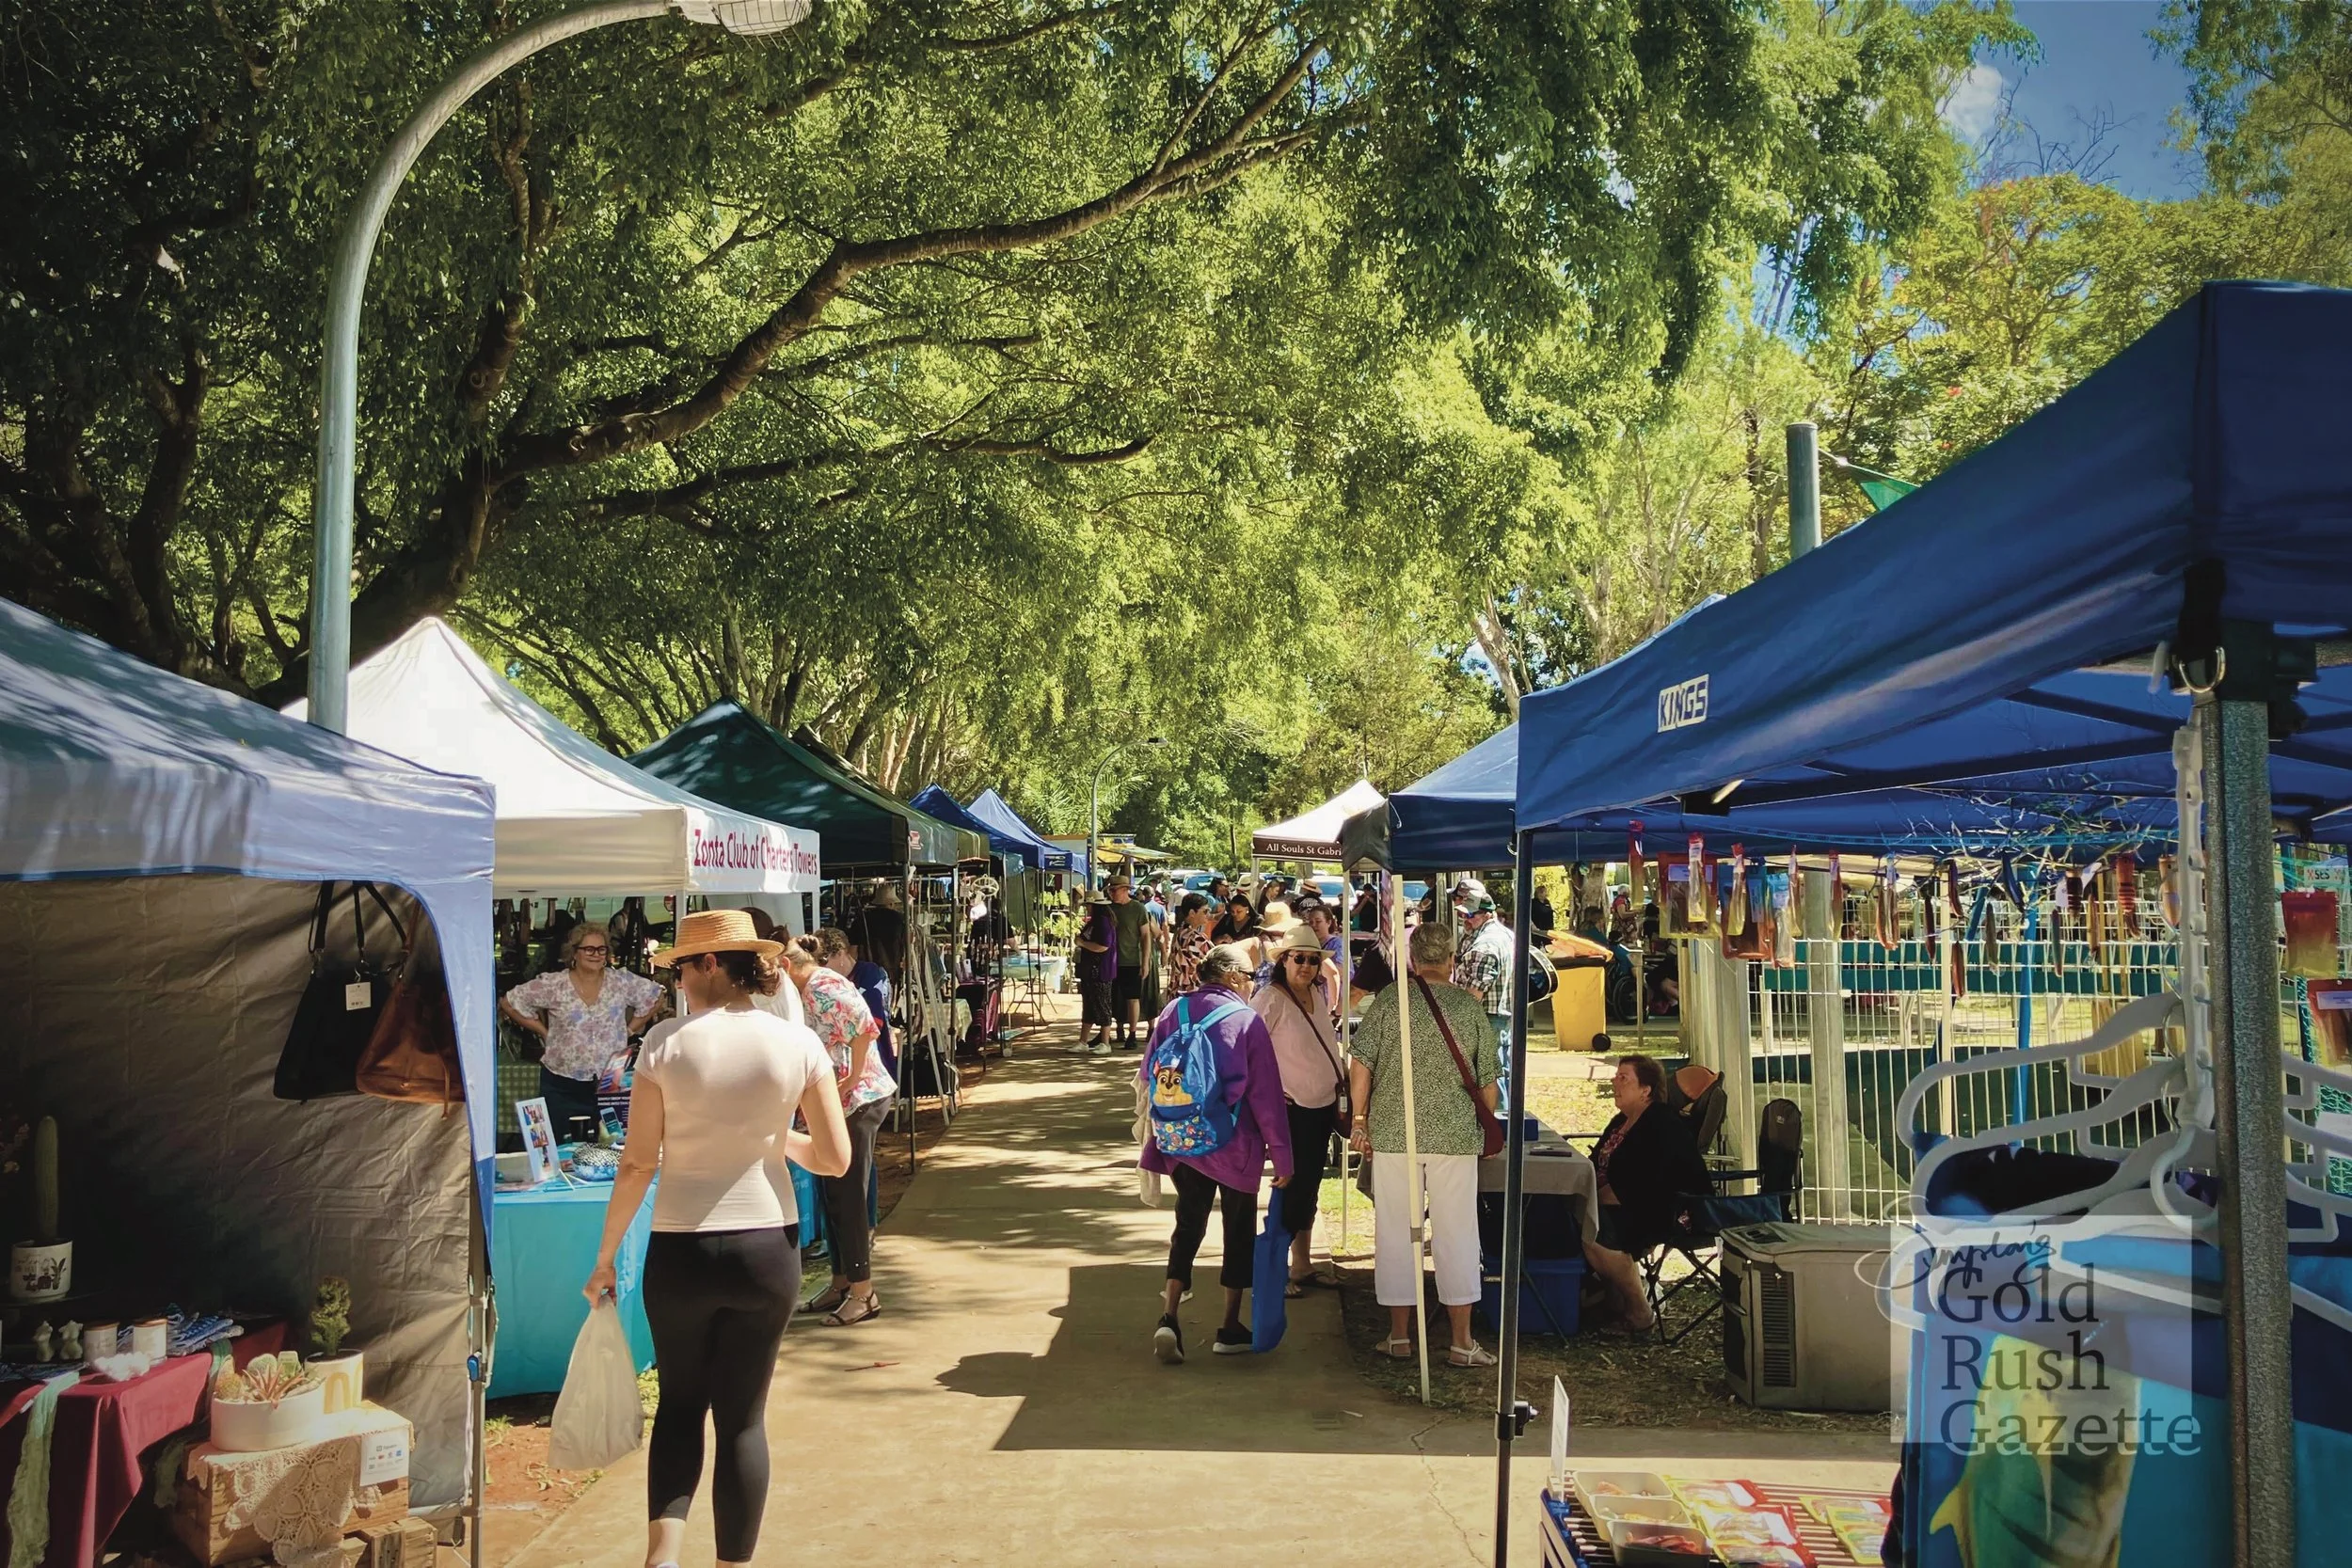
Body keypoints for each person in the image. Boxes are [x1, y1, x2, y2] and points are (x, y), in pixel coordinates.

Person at [583, 909, 850, 1568]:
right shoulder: (798, 1044)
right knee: (743, 1419)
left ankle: (662, 1558)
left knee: (679, 1405)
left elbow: (639, 1161)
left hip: (682, 1248)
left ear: (710, 964)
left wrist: (605, 1254)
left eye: (680, 965)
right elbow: (835, 1158)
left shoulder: (666, 1044)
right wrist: (771, 1137)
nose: (676, 978)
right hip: (767, 1249)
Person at [1348, 920, 1500, 1368]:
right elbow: (1488, 1081)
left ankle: (1398, 1337)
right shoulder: (1467, 1007)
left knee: (1396, 1231)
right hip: (1453, 1136)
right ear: (1451, 961)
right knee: (1456, 1233)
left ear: (1412, 960)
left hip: (1395, 1132)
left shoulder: (1390, 1002)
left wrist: (1360, 1118)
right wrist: (1485, 1120)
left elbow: (1362, 1064)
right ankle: (1461, 1341)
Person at [1138, 943, 1294, 1363]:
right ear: (1232, 977)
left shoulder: (1174, 1012)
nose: (1252, 981)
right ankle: (1229, 1326)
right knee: (1237, 1232)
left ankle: (1169, 1315)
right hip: (1235, 1144)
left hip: (1183, 1139)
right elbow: (1265, 1096)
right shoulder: (1246, 1021)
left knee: (1187, 1226)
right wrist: (1281, 1154)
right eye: (1249, 975)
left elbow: (1147, 1074)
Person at [787, 929, 898, 1326]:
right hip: (833, 1102)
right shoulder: (807, 987)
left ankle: (863, 1293)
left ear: (786, 965)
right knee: (831, 1192)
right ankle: (841, 1282)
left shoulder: (821, 985)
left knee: (848, 1192)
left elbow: (867, 1026)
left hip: (857, 1100)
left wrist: (850, 1079)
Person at [1581, 1054, 1710, 1334]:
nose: (1615, 1082)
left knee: (1592, 1226)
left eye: (1623, 1078)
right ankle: (1614, 1302)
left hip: (1669, 1211)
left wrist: (1589, 1200)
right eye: (1616, 1076)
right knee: (1580, 1216)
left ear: (1646, 1089)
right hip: (1625, 1203)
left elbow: (1643, 1185)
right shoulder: (1622, 1121)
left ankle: (1640, 1312)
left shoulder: (1660, 1124)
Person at [501, 921, 665, 1138]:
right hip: (561, 1081)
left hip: (610, 1082)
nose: (596, 954)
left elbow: (656, 995)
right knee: (561, 1145)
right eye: (589, 949)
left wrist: (630, 1029)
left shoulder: (621, 982)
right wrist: (543, 1031)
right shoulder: (554, 984)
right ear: (574, 953)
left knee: (611, 1144)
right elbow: (510, 1001)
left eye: (601, 949)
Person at [1252, 925, 1346, 1295]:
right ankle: (1277, 1267)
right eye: (1299, 958)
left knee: (1309, 1186)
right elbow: (1251, 1052)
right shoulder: (1270, 998)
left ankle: (1302, 1265)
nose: (1306, 966)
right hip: (1292, 1111)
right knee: (1291, 1186)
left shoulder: (1317, 995)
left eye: (1312, 959)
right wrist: (1271, 1095)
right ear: (1284, 961)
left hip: (1322, 1107)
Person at [1451, 888, 1517, 1051]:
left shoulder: (1485, 946)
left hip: (1486, 1020)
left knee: (1487, 1074)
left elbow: (1473, 997)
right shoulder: (1506, 934)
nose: (1465, 919)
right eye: (1463, 914)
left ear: (1487, 914)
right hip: (1501, 1019)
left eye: (1471, 915)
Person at [1105, 875, 1152, 1047]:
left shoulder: (1138, 908)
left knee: (1132, 998)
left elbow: (1146, 935)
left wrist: (1145, 961)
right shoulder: (1108, 908)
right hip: (1110, 961)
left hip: (1132, 960)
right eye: (1110, 890)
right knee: (1110, 998)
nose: (1111, 893)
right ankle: (1112, 1030)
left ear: (1125, 890)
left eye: (1114, 889)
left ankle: (1132, 1034)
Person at [1074, 895, 1117, 1053]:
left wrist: (1083, 943)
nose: (1087, 908)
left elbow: (1103, 946)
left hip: (1100, 971)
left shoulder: (1103, 923)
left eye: (1089, 905)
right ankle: (1083, 1041)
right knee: (1089, 1007)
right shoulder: (1094, 922)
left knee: (1102, 1005)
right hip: (1089, 971)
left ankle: (1105, 1042)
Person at [850, 881, 908, 990]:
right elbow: (906, 946)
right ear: (892, 903)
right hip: (893, 969)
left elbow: (853, 951)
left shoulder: (862, 920)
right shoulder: (900, 920)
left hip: (867, 970)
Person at [1168, 892, 1216, 995]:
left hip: (1177, 990)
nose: (1208, 915)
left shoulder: (1180, 932)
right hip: (1192, 993)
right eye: (1205, 911)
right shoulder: (1195, 938)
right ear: (1192, 913)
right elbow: (1214, 959)